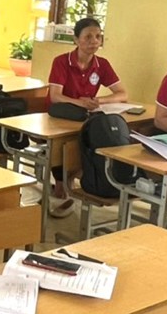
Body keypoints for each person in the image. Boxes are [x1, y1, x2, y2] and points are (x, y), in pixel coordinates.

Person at [47, 17, 127, 217]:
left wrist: (99, 101)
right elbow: (55, 96)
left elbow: (122, 93)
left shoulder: (102, 64)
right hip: (61, 116)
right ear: (76, 39)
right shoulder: (62, 62)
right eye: (88, 37)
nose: (94, 41)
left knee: (100, 138)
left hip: (85, 116)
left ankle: (82, 179)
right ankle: (63, 182)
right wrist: (80, 102)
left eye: (98, 36)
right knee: (66, 145)